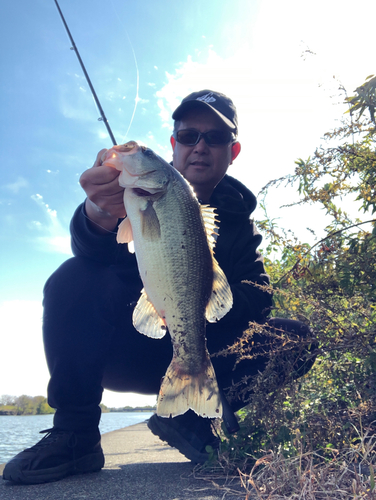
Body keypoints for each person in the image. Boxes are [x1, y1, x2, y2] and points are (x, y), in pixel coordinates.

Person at [3, 90, 315, 485]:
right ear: (174, 144)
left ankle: (193, 417)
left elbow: (259, 297)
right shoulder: (131, 194)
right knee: (71, 276)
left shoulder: (240, 224)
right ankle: (75, 434)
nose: (200, 146)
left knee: (295, 339)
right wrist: (98, 212)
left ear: (232, 151)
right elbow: (91, 251)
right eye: (189, 136)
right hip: (127, 352)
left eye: (215, 138)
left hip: (205, 354)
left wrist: (198, 297)